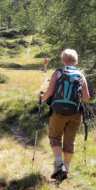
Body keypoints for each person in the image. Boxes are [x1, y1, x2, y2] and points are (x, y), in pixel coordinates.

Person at [40, 49, 90, 180]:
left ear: (63, 60)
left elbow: (49, 93)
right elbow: (86, 98)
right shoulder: (80, 75)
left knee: (55, 138)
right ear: (76, 61)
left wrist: (42, 98)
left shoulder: (58, 73)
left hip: (58, 112)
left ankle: (59, 164)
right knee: (70, 141)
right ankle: (66, 171)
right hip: (75, 113)